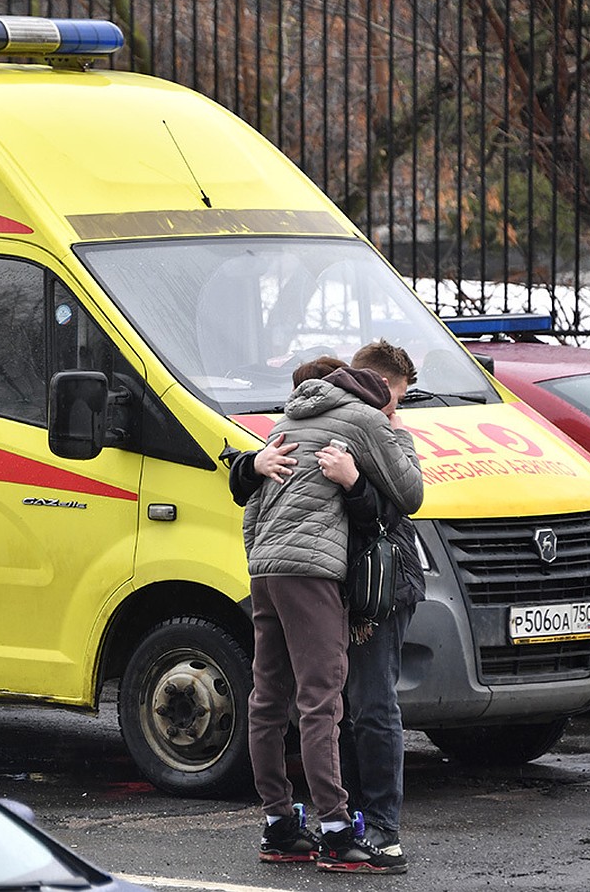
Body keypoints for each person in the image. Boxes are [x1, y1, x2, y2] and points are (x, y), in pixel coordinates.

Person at [229, 351, 423, 874]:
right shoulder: (362, 421)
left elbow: (251, 508)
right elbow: (410, 492)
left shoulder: (287, 423)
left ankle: (279, 826)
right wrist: (395, 432)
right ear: (377, 390)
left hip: (265, 569)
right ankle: (338, 832)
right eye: (394, 395)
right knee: (322, 701)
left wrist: (262, 560)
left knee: (268, 699)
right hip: (313, 574)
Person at [314, 341, 425, 870]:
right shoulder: (348, 421)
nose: (394, 413)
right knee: (345, 706)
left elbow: (397, 506)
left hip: (383, 582)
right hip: (343, 579)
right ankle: (351, 817)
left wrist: (355, 481)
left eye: (396, 403)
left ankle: (383, 826)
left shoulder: (390, 436)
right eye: (392, 401)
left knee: (374, 702)